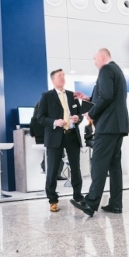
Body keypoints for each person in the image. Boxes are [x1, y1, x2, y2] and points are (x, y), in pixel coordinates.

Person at [70, 49, 129, 217]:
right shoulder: (117, 70)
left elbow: (106, 96)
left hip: (108, 126)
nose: (95, 62)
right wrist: (88, 99)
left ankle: (91, 203)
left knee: (98, 163)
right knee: (114, 165)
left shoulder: (106, 69)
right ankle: (116, 204)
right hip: (118, 125)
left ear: (102, 56)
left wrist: (91, 113)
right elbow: (108, 96)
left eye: (95, 59)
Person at [37, 69, 84, 212]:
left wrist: (78, 118)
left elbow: (80, 114)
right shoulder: (47, 96)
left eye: (63, 75)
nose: (62, 77)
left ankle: (78, 196)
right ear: (53, 80)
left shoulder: (72, 95)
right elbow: (40, 117)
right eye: (59, 76)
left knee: (75, 168)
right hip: (55, 136)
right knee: (52, 169)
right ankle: (52, 200)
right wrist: (54, 122)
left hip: (72, 135)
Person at [31, 101, 65, 177]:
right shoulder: (49, 120)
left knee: (47, 155)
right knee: (60, 154)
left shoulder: (33, 120)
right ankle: (57, 174)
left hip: (39, 143)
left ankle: (45, 167)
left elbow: (32, 134)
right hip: (50, 142)